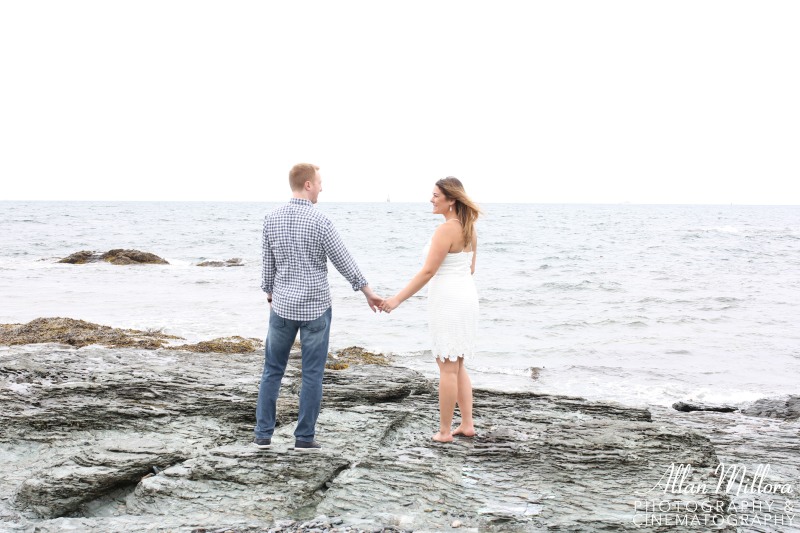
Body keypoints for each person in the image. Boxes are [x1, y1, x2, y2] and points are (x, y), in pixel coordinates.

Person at [255, 163, 383, 451]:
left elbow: (267, 266)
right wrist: (368, 292)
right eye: (320, 182)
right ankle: (303, 438)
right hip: (315, 308)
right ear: (308, 185)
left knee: (272, 370)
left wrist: (270, 294)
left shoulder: (270, 219)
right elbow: (344, 261)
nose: (322, 187)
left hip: (282, 307)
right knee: (312, 374)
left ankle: (263, 435)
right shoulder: (321, 221)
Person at [380, 177, 480, 443]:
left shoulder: (446, 229)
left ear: (451, 199)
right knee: (457, 364)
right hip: (466, 297)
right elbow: (470, 268)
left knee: (447, 367)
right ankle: (467, 424)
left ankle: (445, 431)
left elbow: (428, 271)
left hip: (449, 301)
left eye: (436, 195)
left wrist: (397, 299)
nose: (431, 199)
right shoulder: (469, 228)